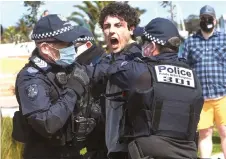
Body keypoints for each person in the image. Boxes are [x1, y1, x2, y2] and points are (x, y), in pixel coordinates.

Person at [106, 17, 204, 159]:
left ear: (151, 46)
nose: (141, 47)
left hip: (150, 152)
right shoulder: (193, 75)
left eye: (143, 43)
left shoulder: (143, 72)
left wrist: (130, 48)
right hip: (187, 153)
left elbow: (113, 70)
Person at [12, 14, 91, 159]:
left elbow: (97, 73)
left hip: (71, 152)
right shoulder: (31, 78)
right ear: (46, 48)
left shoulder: (64, 66)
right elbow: (47, 123)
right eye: (66, 44)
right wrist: (72, 92)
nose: (72, 48)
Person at [84, 2, 142, 159]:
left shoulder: (138, 60)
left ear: (131, 29)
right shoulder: (108, 59)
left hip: (132, 148)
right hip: (111, 146)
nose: (111, 31)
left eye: (118, 25)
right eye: (107, 26)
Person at [180, 5, 226, 158]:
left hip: (223, 95)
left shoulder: (224, 39)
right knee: (204, 133)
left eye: (210, 18)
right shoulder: (190, 42)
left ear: (215, 20)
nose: (207, 21)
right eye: (203, 18)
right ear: (199, 20)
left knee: (224, 131)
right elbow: (183, 66)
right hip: (201, 98)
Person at [72, 25, 108, 159]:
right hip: (83, 128)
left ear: (87, 44)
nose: (71, 51)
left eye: (74, 47)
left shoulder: (103, 61)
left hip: (99, 129)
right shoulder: (79, 62)